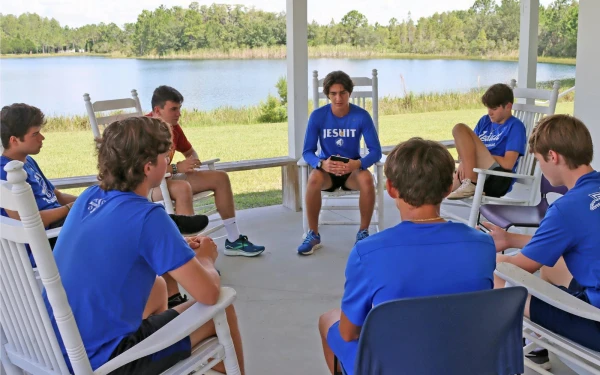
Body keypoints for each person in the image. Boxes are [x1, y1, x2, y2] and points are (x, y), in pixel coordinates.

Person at [43, 116, 245, 375]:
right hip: (104, 363)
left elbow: (118, 242)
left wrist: (175, 244)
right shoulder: (149, 217)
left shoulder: (89, 197)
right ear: (149, 167)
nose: (168, 162)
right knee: (222, 310)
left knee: (158, 286)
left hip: (58, 349)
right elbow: (208, 294)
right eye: (165, 157)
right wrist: (205, 257)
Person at [318, 137, 496, 374]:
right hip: (464, 360)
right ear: (447, 188)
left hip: (395, 365)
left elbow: (349, 332)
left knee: (328, 320)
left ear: (391, 188)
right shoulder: (483, 244)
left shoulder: (368, 252)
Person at [482, 114, 600, 369]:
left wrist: (478, 254)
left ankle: (500, 355)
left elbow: (516, 269)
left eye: (538, 160)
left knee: (494, 273)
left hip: (594, 321)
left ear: (553, 156)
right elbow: (574, 240)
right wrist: (512, 238)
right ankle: (539, 347)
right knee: (549, 264)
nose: (540, 168)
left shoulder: (566, 209)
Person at [0, 104, 209, 242]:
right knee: (123, 219)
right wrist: (69, 209)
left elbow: (56, 195)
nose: (42, 138)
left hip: (65, 224)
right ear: (14, 140)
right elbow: (26, 220)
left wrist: (89, 202)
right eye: (35, 134)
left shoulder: (28, 162)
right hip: (51, 238)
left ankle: (166, 221)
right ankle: (167, 224)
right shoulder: (4, 173)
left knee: (109, 199)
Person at [147, 85, 265, 257]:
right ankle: (192, 255)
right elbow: (145, 169)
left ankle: (234, 240)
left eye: (179, 108)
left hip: (169, 178)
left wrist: (192, 163)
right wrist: (175, 168)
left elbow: (189, 152)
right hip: (148, 187)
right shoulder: (144, 130)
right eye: (173, 109)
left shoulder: (173, 127)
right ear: (158, 110)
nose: (178, 113)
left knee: (220, 178)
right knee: (182, 187)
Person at [298, 70, 382, 255]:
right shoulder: (318, 116)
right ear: (327, 94)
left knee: (367, 179)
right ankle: (313, 234)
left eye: (343, 92)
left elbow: (376, 151)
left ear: (349, 93)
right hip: (327, 171)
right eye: (333, 93)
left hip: (352, 171)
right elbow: (307, 151)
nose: (338, 98)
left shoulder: (361, 116)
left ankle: (363, 232)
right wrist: (321, 164)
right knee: (313, 179)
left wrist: (357, 164)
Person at [447, 83, 526, 200]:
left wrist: (474, 158)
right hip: (477, 171)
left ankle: (471, 183)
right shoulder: (484, 121)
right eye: (488, 108)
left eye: (494, 108)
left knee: (459, 128)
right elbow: (466, 147)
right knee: (439, 189)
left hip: (497, 176)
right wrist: (465, 161)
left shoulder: (515, 126)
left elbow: (508, 163)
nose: (490, 112)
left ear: (508, 106)